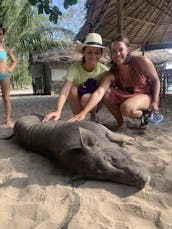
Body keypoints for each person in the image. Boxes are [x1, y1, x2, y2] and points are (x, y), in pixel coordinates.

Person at [68, 35, 161, 129]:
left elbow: (156, 80)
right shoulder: (112, 71)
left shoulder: (142, 61)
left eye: (121, 49)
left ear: (128, 50)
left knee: (126, 108)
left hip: (145, 96)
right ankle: (121, 123)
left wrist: (155, 101)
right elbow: (100, 92)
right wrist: (83, 113)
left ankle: (145, 115)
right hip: (126, 96)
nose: (118, 54)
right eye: (114, 51)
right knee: (106, 92)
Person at [43, 33, 109, 122]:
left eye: (97, 53)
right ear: (83, 53)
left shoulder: (105, 71)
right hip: (78, 98)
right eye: (89, 52)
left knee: (86, 98)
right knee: (72, 89)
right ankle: (78, 117)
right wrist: (58, 110)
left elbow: (102, 92)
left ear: (101, 54)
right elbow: (65, 89)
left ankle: (93, 115)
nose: (93, 56)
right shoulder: (74, 68)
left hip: (94, 101)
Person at [0, 24, 17, 127]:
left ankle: (8, 120)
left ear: (2, 35)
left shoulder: (6, 49)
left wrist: (9, 69)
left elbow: (14, 61)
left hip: (4, 76)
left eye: (0, 34)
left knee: (6, 98)